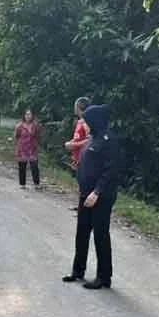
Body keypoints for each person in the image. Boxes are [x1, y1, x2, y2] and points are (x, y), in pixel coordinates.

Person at [63, 104, 120, 290]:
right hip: (85, 194)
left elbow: (111, 171)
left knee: (100, 235)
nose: (84, 125)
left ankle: (104, 277)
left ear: (95, 121)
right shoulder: (91, 139)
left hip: (100, 196)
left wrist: (97, 192)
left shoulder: (109, 141)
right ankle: (77, 271)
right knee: (82, 232)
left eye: (86, 122)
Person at [14, 109, 41, 188]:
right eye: (26, 114)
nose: (28, 116)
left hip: (32, 149)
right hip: (22, 149)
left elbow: (38, 136)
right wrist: (18, 147)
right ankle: (22, 184)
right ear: (24, 116)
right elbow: (16, 137)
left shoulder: (35, 126)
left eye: (30, 114)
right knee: (22, 167)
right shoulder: (19, 126)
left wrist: (37, 145)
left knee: (34, 167)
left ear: (32, 116)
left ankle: (36, 184)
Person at [64, 96, 91, 173]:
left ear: (78, 107)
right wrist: (71, 142)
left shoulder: (86, 122)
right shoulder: (80, 121)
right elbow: (78, 138)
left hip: (84, 161)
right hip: (77, 161)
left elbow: (90, 140)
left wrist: (73, 145)